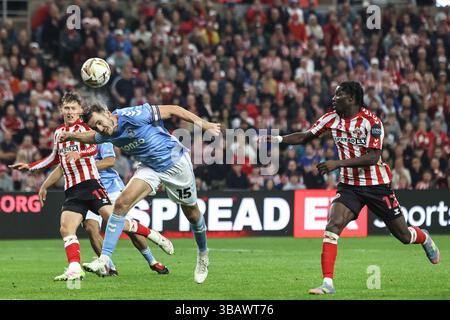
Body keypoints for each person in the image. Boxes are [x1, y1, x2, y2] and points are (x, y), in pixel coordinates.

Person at [259, 81, 440, 295]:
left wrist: (337, 163)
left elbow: (373, 157)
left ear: (352, 98)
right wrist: (279, 138)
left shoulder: (371, 122)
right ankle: (328, 283)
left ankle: (423, 237)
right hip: (349, 187)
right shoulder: (330, 118)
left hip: (377, 185)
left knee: (403, 235)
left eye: (339, 95)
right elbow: (307, 135)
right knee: (333, 225)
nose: (334, 99)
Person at [10, 92, 173, 282]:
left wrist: (80, 156)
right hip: (72, 189)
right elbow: (56, 159)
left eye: (73, 108)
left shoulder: (92, 129)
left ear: (80, 110)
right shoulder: (58, 133)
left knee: (118, 222)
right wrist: (31, 168)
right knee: (69, 228)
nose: (69, 111)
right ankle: (80, 268)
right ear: (61, 110)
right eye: (66, 108)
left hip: (94, 185)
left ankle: (153, 238)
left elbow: (96, 149)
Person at [58, 102, 221, 284]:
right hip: (150, 168)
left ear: (107, 113)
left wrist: (203, 124)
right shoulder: (105, 133)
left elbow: (174, 109)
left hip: (175, 163)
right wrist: (72, 135)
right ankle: (104, 260)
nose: (100, 128)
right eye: (95, 126)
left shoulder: (133, 115)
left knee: (192, 213)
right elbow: (92, 137)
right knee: (120, 205)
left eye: (100, 122)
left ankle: (203, 254)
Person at [40, 142, 169, 276]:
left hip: (110, 188)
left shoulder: (100, 139)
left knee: (126, 227)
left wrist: (85, 168)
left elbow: (109, 161)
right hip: (88, 190)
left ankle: (152, 261)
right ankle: (109, 267)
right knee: (91, 228)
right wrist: (45, 185)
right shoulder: (71, 143)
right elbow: (62, 167)